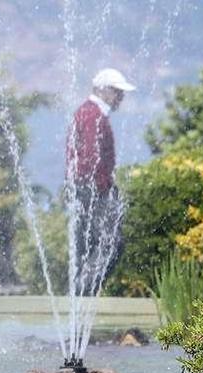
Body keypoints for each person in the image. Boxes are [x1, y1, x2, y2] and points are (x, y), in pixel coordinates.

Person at [65, 68, 135, 296]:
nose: (120, 97)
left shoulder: (90, 113)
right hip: (92, 188)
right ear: (102, 90)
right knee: (110, 243)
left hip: (88, 187)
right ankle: (83, 291)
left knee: (96, 243)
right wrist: (104, 188)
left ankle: (83, 290)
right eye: (116, 92)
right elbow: (89, 159)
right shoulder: (92, 115)